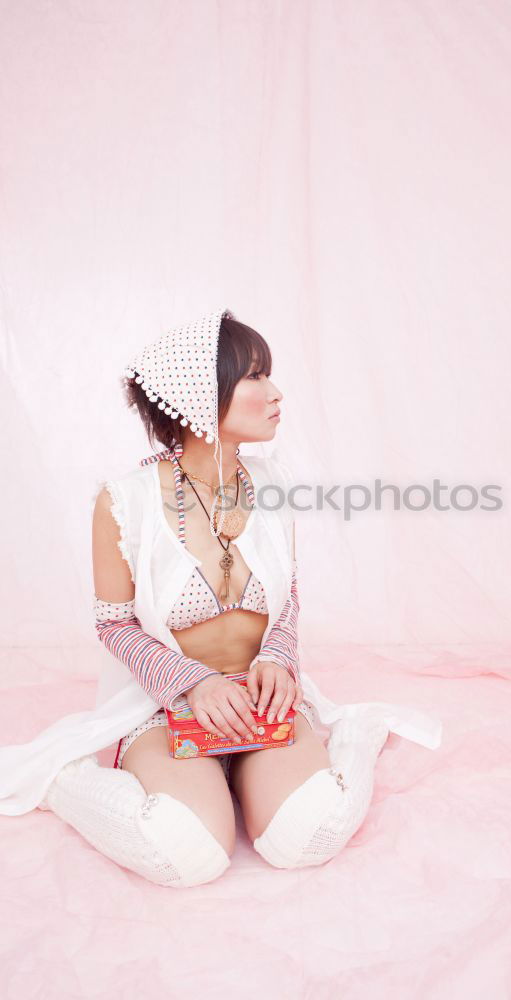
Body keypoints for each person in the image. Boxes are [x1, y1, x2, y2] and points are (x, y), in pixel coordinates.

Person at [0, 307, 442, 887]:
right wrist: (191, 683)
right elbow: (115, 625)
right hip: (166, 704)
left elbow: (286, 599)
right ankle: (63, 779)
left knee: (311, 837)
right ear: (199, 393)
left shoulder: (274, 483)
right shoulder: (124, 501)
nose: (277, 392)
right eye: (256, 377)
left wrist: (278, 661)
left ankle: (354, 734)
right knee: (187, 858)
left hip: (265, 701)